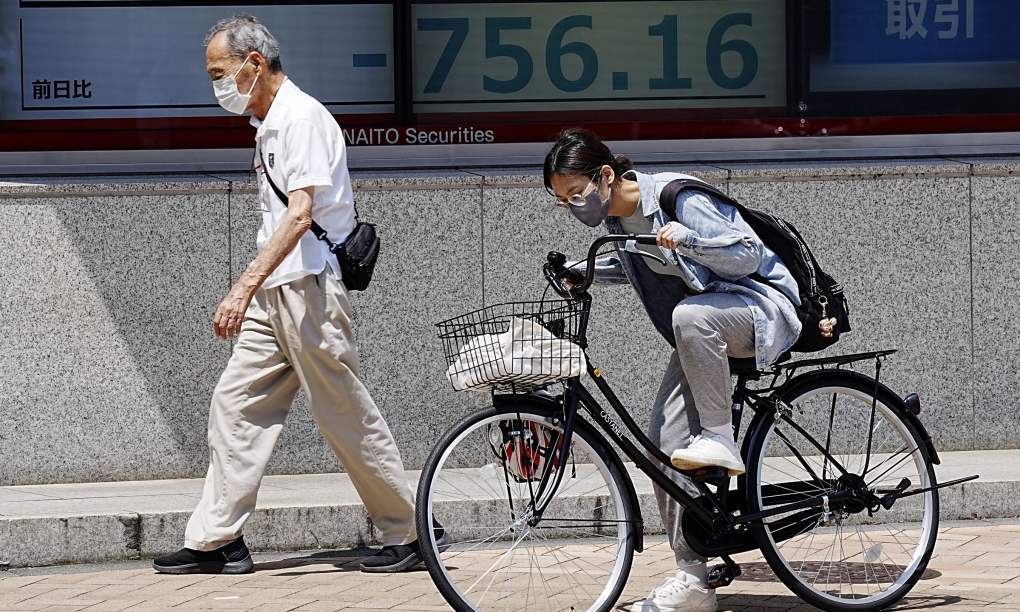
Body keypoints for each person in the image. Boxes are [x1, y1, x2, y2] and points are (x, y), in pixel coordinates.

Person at [153, 15, 427, 575]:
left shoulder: (301, 118)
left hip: (307, 287)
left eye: (220, 73)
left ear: (254, 64)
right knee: (236, 404)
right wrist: (256, 289)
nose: (217, 87)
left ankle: (410, 532)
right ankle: (217, 539)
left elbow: (300, 215)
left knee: (342, 411)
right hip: (277, 290)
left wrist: (241, 287)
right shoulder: (271, 122)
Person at [543, 129, 802, 612]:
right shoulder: (620, 223)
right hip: (704, 329)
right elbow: (642, 262)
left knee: (690, 315)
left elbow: (745, 252)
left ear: (605, 176)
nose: (575, 207)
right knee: (664, 443)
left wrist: (690, 238)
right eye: (563, 202)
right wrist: (584, 271)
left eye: (577, 195)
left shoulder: (675, 195)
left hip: (760, 310)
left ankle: (721, 438)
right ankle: (694, 579)